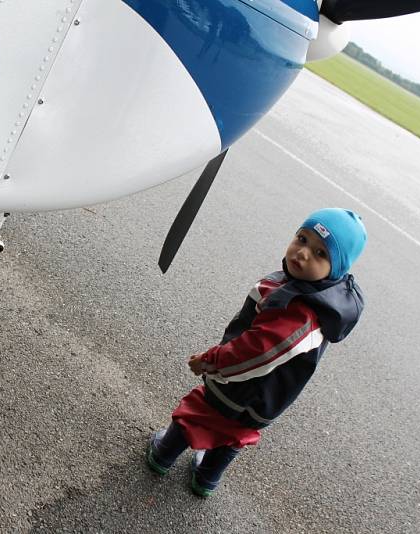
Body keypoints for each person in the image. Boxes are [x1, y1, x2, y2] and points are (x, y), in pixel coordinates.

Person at [146, 208, 367, 497]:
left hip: (243, 387)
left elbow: (257, 352)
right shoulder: (310, 293)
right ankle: (206, 477)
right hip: (266, 399)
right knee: (234, 435)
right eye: (302, 238)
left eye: (320, 254)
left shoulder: (300, 311)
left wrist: (210, 362)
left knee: (200, 412)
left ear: (337, 269)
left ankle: (163, 453)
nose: (303, 254)